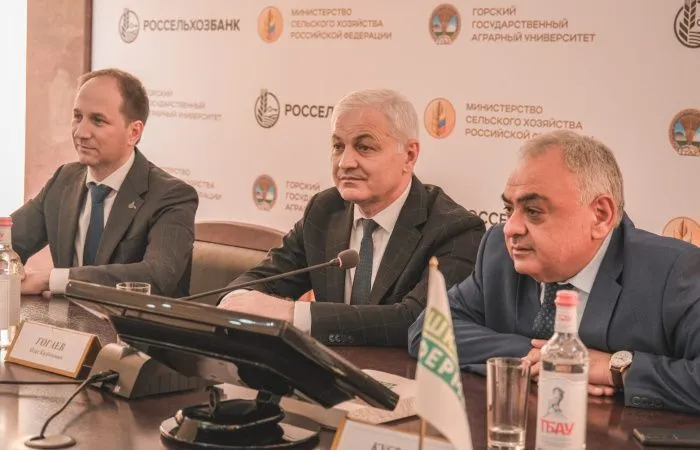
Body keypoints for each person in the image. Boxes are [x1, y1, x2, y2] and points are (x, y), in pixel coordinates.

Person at [408, 130, 700, 414]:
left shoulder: (674, 272)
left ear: (600, 216)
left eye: (533, 211)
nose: (511, 228)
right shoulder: (498, 251)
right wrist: (554, 357)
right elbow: (430, 331)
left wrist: (615, 369)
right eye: (509, 210)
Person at [218, 89, 485, 347]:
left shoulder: (455, 229)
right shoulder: (325, 210)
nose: (345, 162)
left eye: (364, 147)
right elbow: (260, 280)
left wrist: (294, 313)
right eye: (338, 146)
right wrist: (237, 300)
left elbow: (418, 321)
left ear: (409, 155)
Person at [11, 68, 198, 298]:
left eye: (98, 120)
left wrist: (51, 280)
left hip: (131, 322)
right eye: (77, 116)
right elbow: (9, 240)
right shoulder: (64, 180)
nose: (81, 132)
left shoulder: (172, 196)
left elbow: (156, 277)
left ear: (133, 132)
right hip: (66, 320)